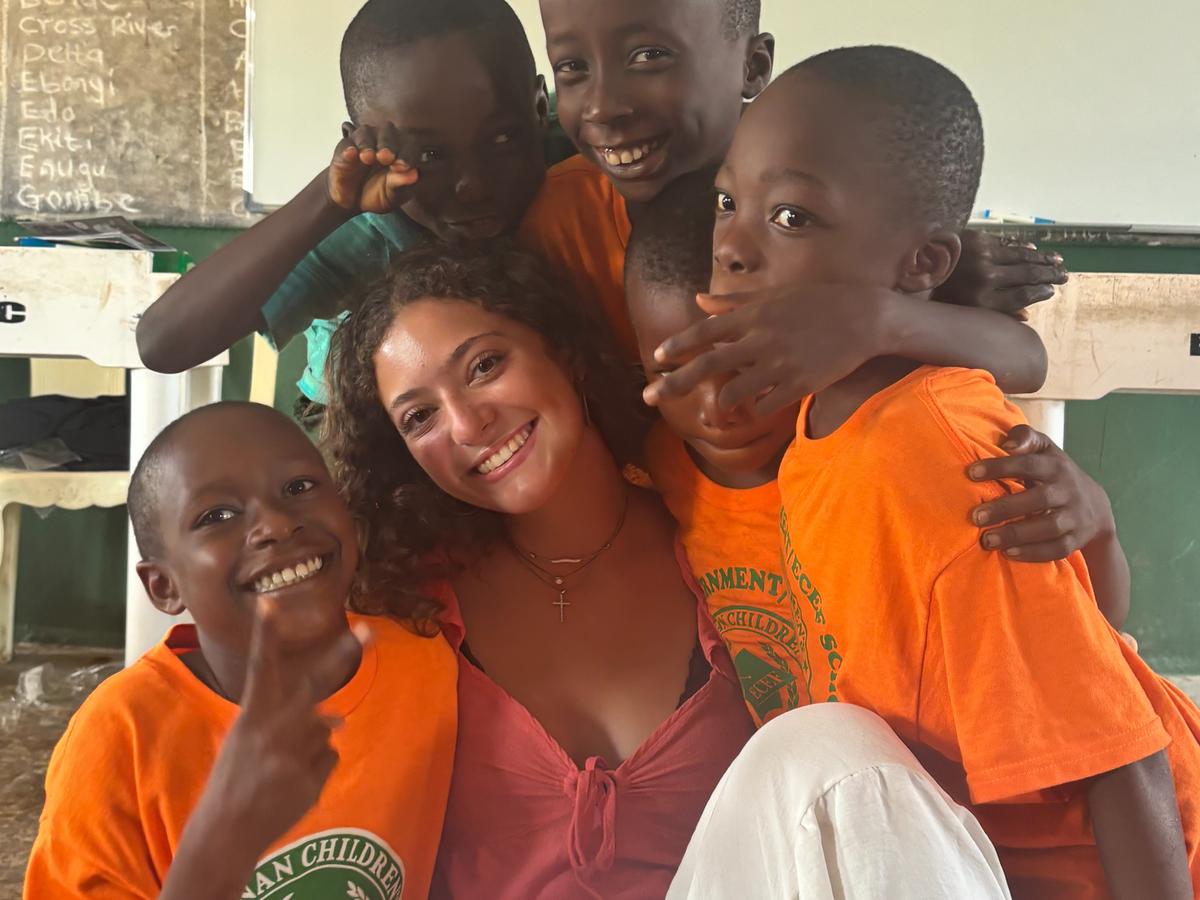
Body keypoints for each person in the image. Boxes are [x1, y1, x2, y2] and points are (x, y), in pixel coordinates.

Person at [667, 46, 1200, 900]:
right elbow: (1081, 628)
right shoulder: (823, 420)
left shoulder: (928, 459)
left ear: (921, 267)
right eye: (729, 202)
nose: (731, 246)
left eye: (792, 217)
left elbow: (1121, 750)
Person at [627, 169, 1132, 730]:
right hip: (799, 767)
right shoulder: (657, 471)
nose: (717, 408)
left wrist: (1098, 526)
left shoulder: (898, 452)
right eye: (672, 373)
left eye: (748, 363)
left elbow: (1094, 642)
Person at [24, 402, 458, 900]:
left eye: (299, 487)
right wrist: (224, 842)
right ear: (164, 585)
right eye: (217, 515)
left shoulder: (425, 664)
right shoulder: (120, 737)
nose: (275, 524)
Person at [524, 0, 1068, 390]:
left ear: (753, 65)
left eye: (648, 56)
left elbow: (1024, 361)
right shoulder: (555, 225)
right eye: (571, 66)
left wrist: (887, 312)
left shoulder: (849, 212)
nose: (602, 106)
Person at [136, 0, 572, 405]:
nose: (473, 187)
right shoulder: (365, 232)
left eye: (502, 138)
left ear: (538, 108)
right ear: (362, 144)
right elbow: (163, 344)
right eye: (430, 155)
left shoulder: (583, 148)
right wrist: (329, 201)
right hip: (367, 409)